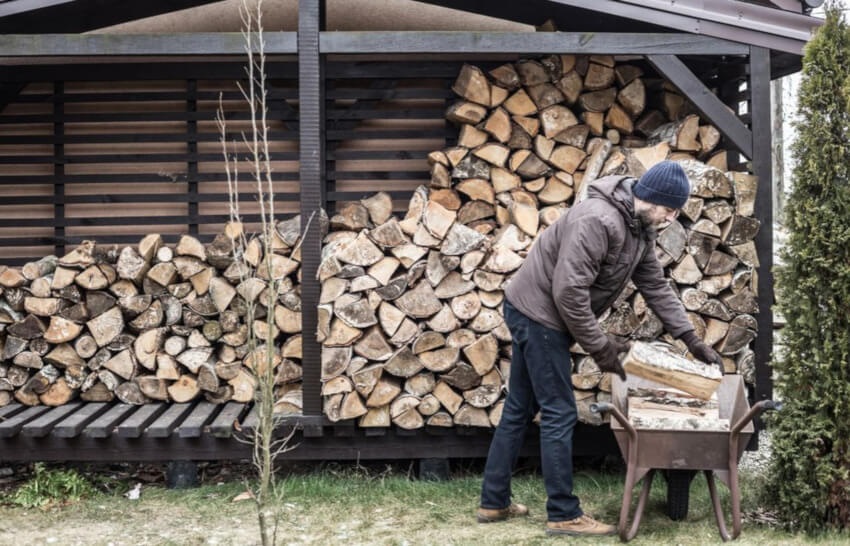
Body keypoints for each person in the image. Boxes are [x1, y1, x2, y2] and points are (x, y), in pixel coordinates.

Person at [477, 160, 722, 536]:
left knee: (519, 408)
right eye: (670, 208)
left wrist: (691, 338)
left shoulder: (640, 227)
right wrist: (601, 348)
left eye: (677, 210)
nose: (673, 217)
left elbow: (655, 285)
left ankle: (493, 503)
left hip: (541, 311)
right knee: (559, 412)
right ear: (651, 198)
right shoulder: (598, 220)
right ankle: (563, 514)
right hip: (539, 314)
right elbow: (569, 293)